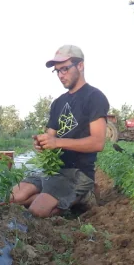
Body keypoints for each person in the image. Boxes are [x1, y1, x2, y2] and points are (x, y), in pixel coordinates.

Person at [9, 45, 109, 218]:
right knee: (13, 197)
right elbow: (51, 136)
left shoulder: (94, 97)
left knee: (37, 211)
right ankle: (54, 197)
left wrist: (57, 143)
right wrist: (42, 143)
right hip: (52, 171)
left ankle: (84, 194)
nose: (61, 75)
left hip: (77, 172)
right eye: (57, 71)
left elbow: (98, 142)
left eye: (65, 69)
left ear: (80, 66)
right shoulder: (58, 103)